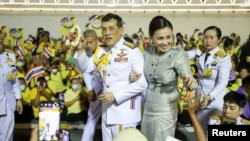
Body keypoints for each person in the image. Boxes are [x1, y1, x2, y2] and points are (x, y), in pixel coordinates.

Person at [74, 13, 148, 141]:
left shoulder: (132, 51)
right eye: (104, 29)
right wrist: (80, 50)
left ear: (121, 30)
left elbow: (142, 84)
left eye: (111, 28)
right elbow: (86, 69)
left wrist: (115, 95)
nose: (107, 33)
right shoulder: (101, 51)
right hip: (106, 112)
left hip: (124, 113)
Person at [140, 16, 197, 141]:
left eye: (169, 37)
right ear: (151, 37)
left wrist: (190, 80)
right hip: (148, 108)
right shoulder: (147, 51)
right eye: (160, 38)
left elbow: (186, 73)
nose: (165, 42)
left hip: (166, 110)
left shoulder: (178, 54)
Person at [194, 26, 232, 133]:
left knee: (213, 132)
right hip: (201, 99)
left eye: (212, 37)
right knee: (200, 131)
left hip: (214, 101)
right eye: (206, 37)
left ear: (219, 40)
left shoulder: (223, 57)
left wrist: (210, 96)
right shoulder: (201, 54)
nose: (208, 41)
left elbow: (223, 82)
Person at [80, 29, 103, 141]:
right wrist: (90, 90)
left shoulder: (104, 50)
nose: (89, 45)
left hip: (110, 87)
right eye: (87, 43)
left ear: (97, 40)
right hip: (96, 87)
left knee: (110, 120)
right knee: (92, 117)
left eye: (91, 42)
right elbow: (85, 71)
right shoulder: (85, 52)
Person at [0, 34, 23, 140]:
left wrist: (18, 99)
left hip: (8, 101)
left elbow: (14, 80)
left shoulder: (10, 57)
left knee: (8, 135)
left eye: (1, 39)